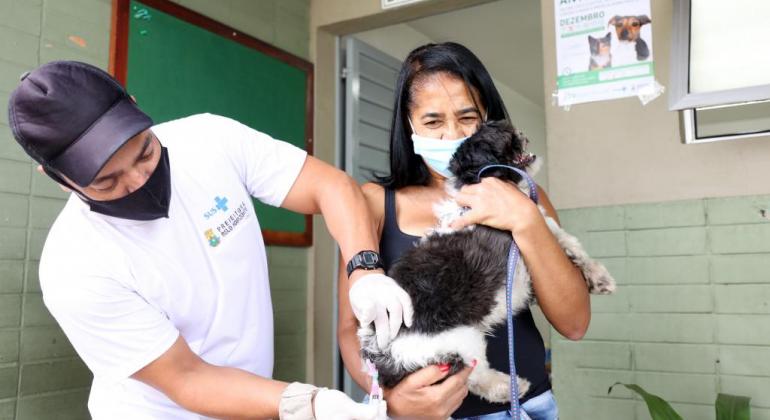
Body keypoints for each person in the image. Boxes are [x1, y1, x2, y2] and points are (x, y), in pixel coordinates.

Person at [7, 60, 412, 419]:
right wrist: (310, 405)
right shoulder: (74, 269)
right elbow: (188, 379)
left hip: (253, 396)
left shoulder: (207, 139)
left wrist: (365, 270)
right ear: (58, 179)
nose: (137, 182)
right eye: (107, 181)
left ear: (134, 105)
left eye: (144, 153)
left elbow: (331, 186)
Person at [337, 42, 591, 419]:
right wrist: (390, 397)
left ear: (486, 116)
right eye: (433, 121)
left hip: (525, 406)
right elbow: (349, 329)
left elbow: (574, 323)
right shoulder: (375, 203)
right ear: (409, 124)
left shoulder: (524, 197)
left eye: (467, 117)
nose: (452, 135)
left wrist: (525, 218)